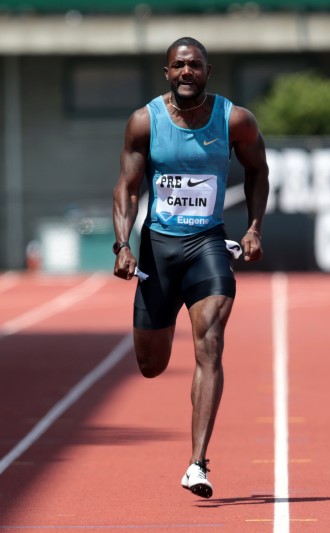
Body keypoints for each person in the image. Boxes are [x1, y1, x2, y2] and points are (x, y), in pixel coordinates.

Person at [112, 37, 269, 497]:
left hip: (207, 244)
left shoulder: (234, 119)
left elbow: (258, 171)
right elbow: (127, 187)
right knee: (150, 364)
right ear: (167, 73)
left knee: (211, 342)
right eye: (178, 65)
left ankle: (197, 462)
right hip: (159, 250)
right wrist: (123, 244)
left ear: (207, 71)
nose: (186, 72)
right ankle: (161, 332)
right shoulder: (145, 122)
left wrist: (255, 227)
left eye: (194, 65)